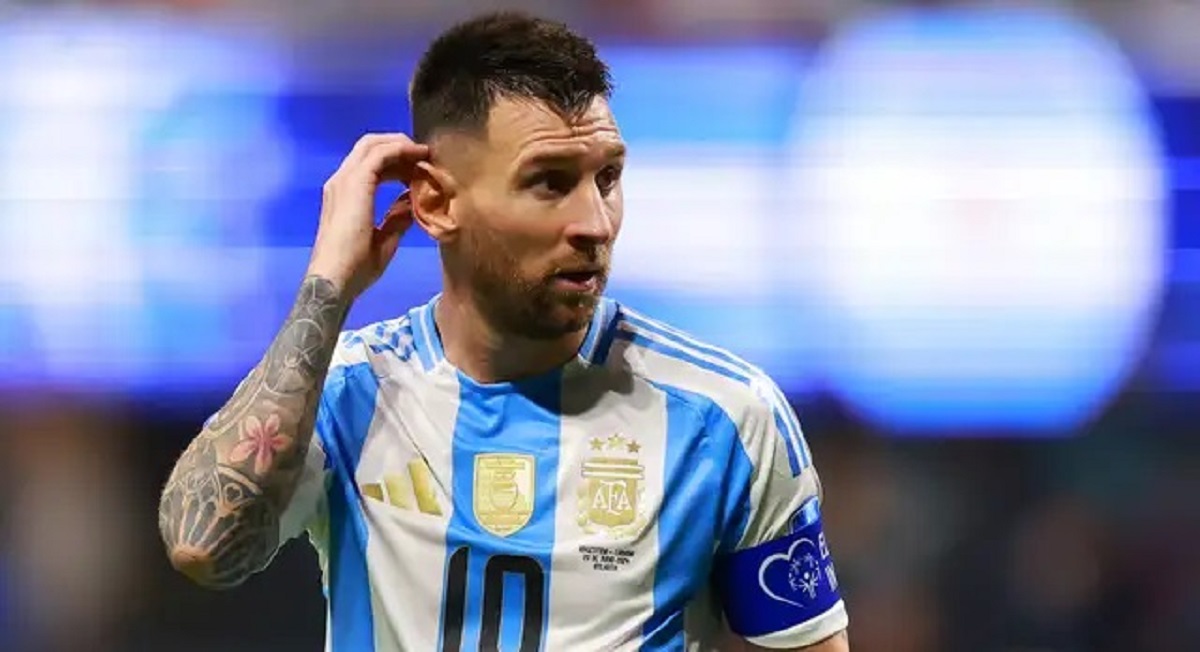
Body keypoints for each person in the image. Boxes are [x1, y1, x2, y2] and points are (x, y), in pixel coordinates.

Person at [157, 11, 850, 651]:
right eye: (549, 183)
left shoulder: (725, 418)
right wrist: (327, 286)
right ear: (435, 203)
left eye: (607, 178)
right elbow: (203, 547)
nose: (595, 224)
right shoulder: (348, 395)